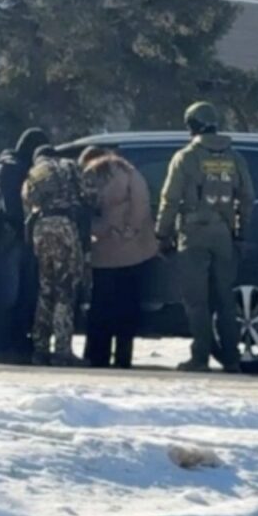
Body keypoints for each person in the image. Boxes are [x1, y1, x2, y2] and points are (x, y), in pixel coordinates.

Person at [154, 102, 255, 373]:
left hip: (193, 234)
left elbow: (170, 199)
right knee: (225, 298)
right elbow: (247, 198)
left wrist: (162, 234)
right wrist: (240, 232)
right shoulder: (235, 158)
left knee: (197, 300)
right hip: (223, 235)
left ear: (193, 126)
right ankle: (231, 359)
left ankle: (200, 357)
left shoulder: (186, 157)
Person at [79, 147, 159, 368]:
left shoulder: (91, 175)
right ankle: (124, 356)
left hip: (103, 252)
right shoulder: (131, 172)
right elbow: (142, 203)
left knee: (101, 306)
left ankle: (97, 355)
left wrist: (99, 231)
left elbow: (85, 210)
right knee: (128, 305)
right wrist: (130, 230)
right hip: (135, 251)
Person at [0, 127, 50, 364]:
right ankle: (3, 346)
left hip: (3, 233)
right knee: (9, 294)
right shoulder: (14, 170)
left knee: (13, 292)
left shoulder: (3, 165)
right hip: (10, 234)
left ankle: (8, 344)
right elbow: (13, 205)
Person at [22, 145, 90, 367]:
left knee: (45, 289)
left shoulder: (35, 172)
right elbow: (89, 194)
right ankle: (62, 351)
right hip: (64, 227)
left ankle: (39, 350)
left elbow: (28, 199)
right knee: (65, 289)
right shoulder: (69, 166)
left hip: (41, 229)